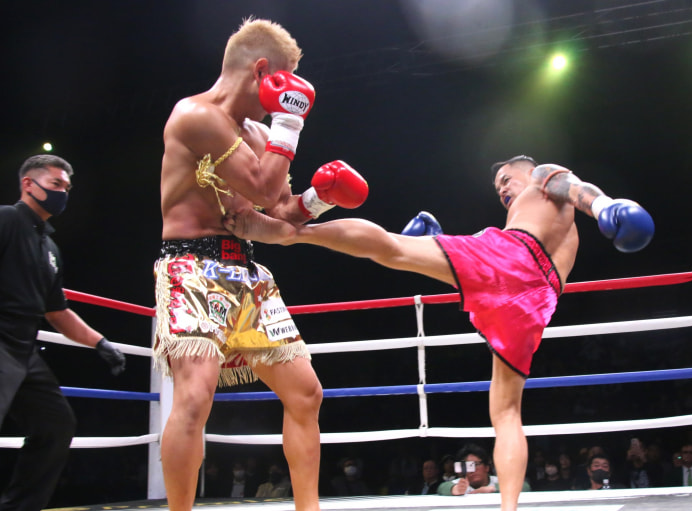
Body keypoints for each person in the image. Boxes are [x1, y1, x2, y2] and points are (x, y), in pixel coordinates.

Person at [224, 154, 654, 510]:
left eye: (507, 180)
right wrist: (441, 239)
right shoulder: (545, 223)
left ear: (529, 172)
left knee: (391, 248)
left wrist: (605, 206)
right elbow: (490, 265)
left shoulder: (543, 178)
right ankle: (508, 508)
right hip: (535, 301)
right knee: (506, 412)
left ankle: (291, 234)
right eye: (498, 187)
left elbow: (571, 187)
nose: (503, 190)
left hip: (515, 261)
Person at [154, 17, 368, 511]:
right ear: (263, 71)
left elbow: (281, 209)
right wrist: (290, 123)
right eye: (287, 80)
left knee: (306, 393)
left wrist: (320, 197)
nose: (286, 98)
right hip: (192, 268)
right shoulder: (195, 115)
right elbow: (262, 189)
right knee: (194, 396)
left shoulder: (255, 133)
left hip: (246, 275)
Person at [0, 154, 126, 511]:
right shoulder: (6, 219)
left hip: (24, 349)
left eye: (67, 188)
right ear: (28, 184)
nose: (63, 193)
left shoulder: (49, 247)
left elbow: (56, 311)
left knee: (55, 425)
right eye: (56, 184)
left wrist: (100, 342)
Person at [437, 442, 531, 495]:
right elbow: (441, 488)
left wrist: (492, 489)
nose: (473, 470)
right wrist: (455, 490)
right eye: (468, 466)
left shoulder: (498, 482)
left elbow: (525, 486)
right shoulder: (461, 483)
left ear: (486, 467)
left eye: (476, 464)